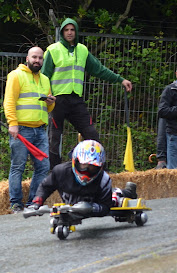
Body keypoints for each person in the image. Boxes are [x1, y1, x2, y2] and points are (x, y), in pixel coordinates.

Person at [42, 18, 133, 168]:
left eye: (72, 30)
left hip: (76, 101)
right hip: (57, 101)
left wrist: (120, 79)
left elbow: (99, 69)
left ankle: (99, 167)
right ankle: (53, 171)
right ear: (62, 32)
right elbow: (44, 77)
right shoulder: (53, 50)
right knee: (54, 139)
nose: (69, 33)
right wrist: (46, 97)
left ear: (76, 32)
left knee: (91, 134)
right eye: (66, 30)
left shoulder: (82, 50)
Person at [4, 46, 55, 213]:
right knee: (18, 166)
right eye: (34, 57)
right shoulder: (16, 75)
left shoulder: (46, 79)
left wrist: (50, 103)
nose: (37, 60)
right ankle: (16, 204)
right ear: (27, 58)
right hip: (21, 130)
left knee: (43, 167)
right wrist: (13, 123)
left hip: (40, 130)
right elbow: (9, 101)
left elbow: (48, 108)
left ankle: (33, 202)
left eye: (40, 58)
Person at [25, 140, 113, 217]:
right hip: (70, 208)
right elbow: (45, 187)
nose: (86, 172)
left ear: (100, 167)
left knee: (116, 198)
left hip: (94, 205)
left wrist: (92, 208)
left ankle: (125, 192)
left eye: (92, 168)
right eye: (83, 166)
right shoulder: (60, 171)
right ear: (74, 161)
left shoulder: (104, 179)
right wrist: (37, 202)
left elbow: (106, 207)